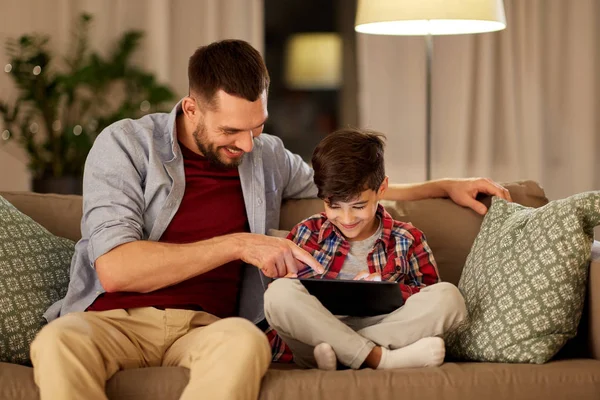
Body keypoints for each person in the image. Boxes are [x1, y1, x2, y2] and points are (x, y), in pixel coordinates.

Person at [29, 39, 511, 400]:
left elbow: (345, 190)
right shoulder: (126, 146)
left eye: (257, 127)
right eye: (231, 131)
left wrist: (442, 186)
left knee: (246, 343)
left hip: (208, 327)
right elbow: (115, 267)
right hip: (114, 321)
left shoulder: (265, 155)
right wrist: (238, 244)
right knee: (56, 343)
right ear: (192, 108)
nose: (245, 145)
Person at [264, 129, 468, 371]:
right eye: (334, 206)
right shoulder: (307, 232)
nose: (347, 218)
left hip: (371, 332)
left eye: (358, 206)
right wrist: (291, 281)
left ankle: (347, 355)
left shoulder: (407, 239)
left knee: (449, 297)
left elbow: (427, 295)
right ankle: (380, 359)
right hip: (318, 334)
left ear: (382, 189)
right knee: (278, 293)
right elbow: (288, 305)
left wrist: (385, 289)